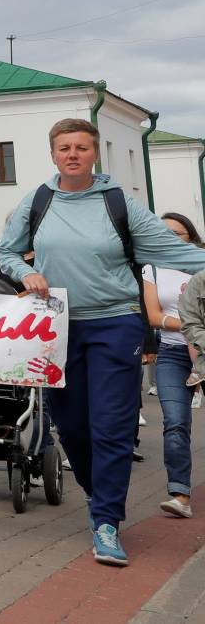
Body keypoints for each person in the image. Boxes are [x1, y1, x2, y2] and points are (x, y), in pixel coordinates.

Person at [0, 118, 205, 567]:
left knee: (111, 426)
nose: (73, 154)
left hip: (116, 324)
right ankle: (99, 493)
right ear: (53, 155)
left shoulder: (118, 203)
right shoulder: (38, 200)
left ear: (95, 154)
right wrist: (25, 272)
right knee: (70, 425)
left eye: (82, 147)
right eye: (64, 147)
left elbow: (170, 249)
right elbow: (6, 251)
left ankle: (107, 521)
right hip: (56, 326)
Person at [142, 212, 205, 519]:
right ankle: (180, 494)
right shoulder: (152, 267)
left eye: (176, 234)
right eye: (163, 233)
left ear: (190, 236)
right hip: (171, 353)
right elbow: (153, 316)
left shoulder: (201, 262)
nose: (168, 238)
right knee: (175, 421)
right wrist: (189, 323)